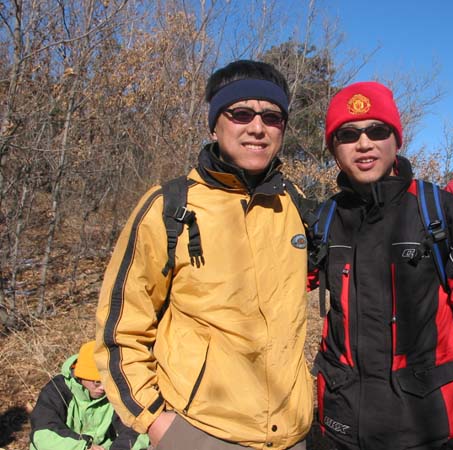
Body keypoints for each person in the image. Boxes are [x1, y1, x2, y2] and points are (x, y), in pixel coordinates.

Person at [95, 60, 313, 450]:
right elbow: (121, 328)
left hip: (291, 431)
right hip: (200, 431)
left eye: (272, 117)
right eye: (241, 113)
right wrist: (155, 421)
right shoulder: (169, 206)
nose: (257, 128)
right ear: (214, 125)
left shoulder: (296, 206)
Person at [311, 82, 453, 450]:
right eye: (348, 134)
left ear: (396, 139)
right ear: (333, 148)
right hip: (341, 423)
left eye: (377, 130)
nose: (364, 143)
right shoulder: (324, 221)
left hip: (429, 424)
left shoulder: (445, 215)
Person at [29, 341, 148, 450]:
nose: (103, 388)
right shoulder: (57, 389)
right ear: (81, 375)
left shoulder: (118, 391)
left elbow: (136, 430)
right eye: (97, 382)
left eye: (107, 381)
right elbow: (42, 434)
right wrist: (83, 447)